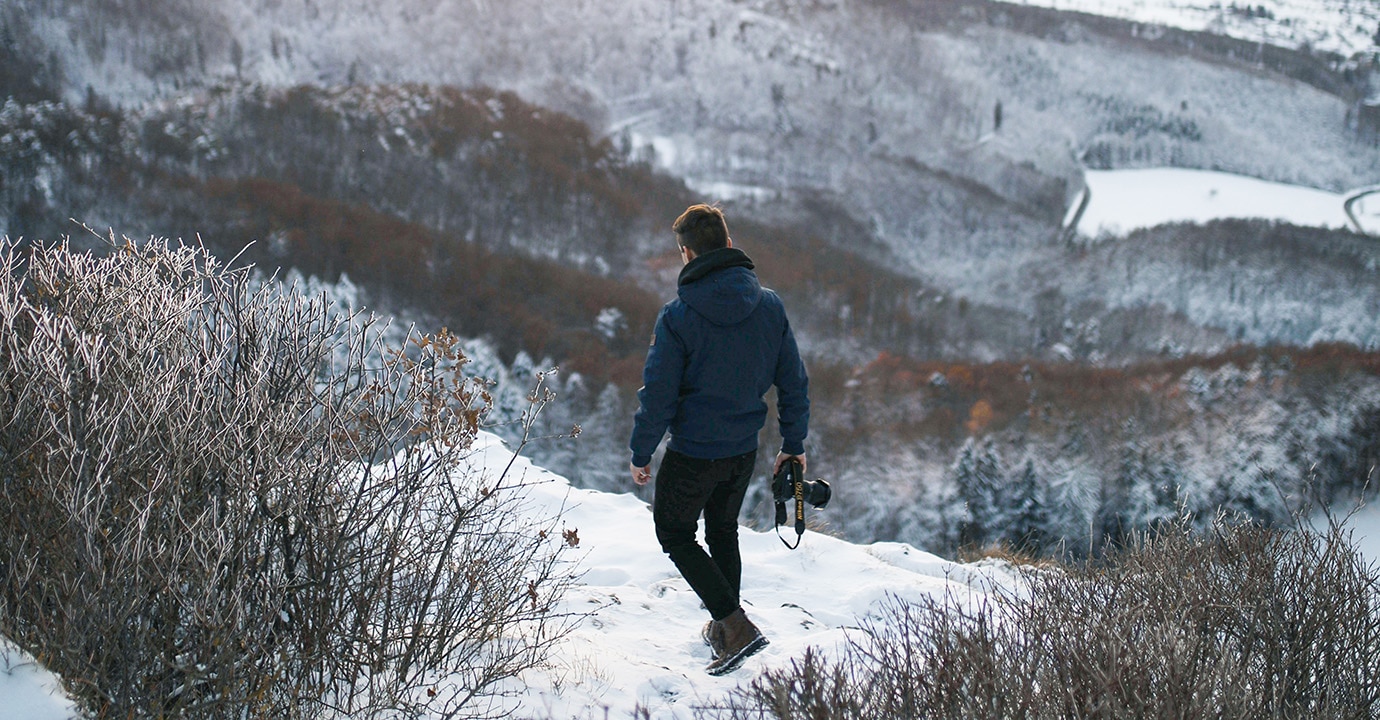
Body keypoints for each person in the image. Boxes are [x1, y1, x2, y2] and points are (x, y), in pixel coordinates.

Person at [628, 203, 810, 676]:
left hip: (693, 452)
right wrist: (793, 444)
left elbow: (659, 395)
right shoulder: (769, 306)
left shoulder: (678, 317)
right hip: (742, 449)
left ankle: (735, 625)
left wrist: (641, 451)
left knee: (673, 532)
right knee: (722, 530)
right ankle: (725, 628)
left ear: (687, 254)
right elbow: (793, 381)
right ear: (729, 245)